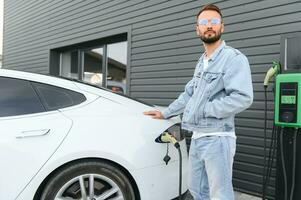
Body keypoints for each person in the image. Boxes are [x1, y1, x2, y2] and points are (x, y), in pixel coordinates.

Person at [143, 4, 253, 200]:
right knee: (196, 191)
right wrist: (166, 112)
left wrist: (205, 109)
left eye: (214, 22)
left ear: (222, 27)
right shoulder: (202, 61)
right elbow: (188, 94)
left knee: (220, 194)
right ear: (197, 29)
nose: (209, 26)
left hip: (218, 138)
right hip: (197, 137)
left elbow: (242, 98)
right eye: (204, 22)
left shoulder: (233, 58)